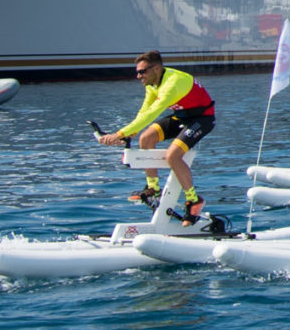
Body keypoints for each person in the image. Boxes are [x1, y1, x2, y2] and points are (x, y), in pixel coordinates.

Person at [94, 51, 220, 229]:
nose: (139, 76)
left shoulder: (171, 83)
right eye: (137, 72)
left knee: (173, 156)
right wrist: (129, 134)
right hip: (181, 117)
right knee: (145, 139)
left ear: (157, 68)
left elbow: (153, 113)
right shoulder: (152, 84)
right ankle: (153, 189)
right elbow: (144, 112)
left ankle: (193, 200)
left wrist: (119, 134)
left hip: (202, 119)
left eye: (142, 71)